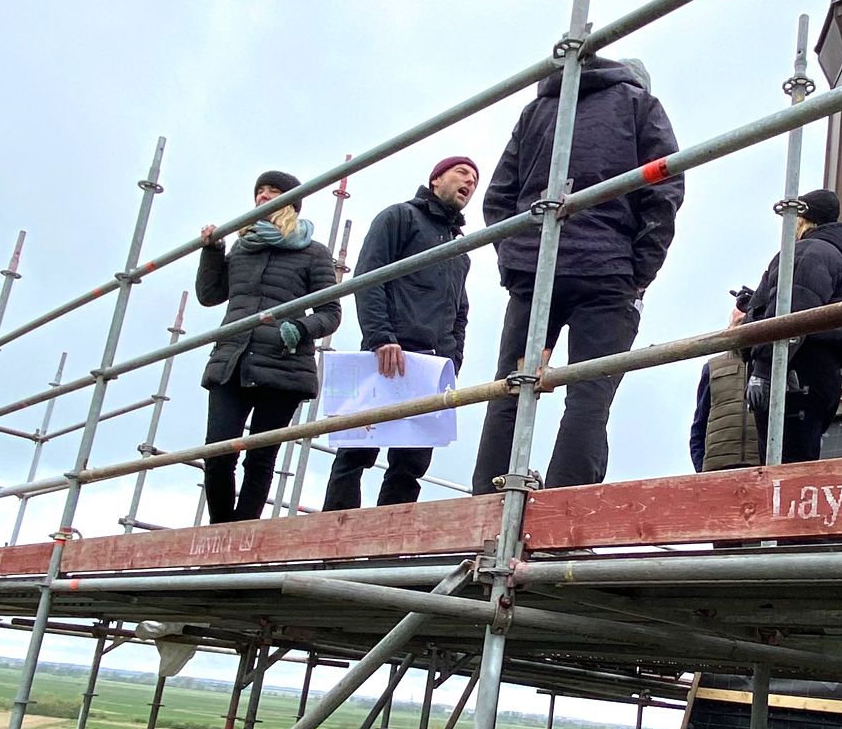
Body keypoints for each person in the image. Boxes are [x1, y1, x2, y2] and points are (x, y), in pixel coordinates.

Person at [471, 56, 686, 491]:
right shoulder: (640, 104)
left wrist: (515, 256)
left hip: (534, 269)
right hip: (606, 269)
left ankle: (486, 499)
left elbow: (498, 197)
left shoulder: (539, 108)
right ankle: (565, 504)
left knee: (513, 386)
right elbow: (664, 190)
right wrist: (639, 272)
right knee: (589, 393)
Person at [321, 156, 479, 510]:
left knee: (410, 465)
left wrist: (453, 360)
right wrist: (380, 336)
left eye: (474, 180)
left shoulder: (460, 251)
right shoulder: (399, 217)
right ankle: (334, 536)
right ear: (436, 179)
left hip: (432, 364)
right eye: (462, 173)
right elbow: (369, 277)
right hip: (389, 352)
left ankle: (389, 539)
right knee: (356, 451)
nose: (469, 182)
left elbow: (460, 311)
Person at [195, 171, 343, 523]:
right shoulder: (242, 247)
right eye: (259, 192)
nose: (262, 197)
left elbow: (330, 313)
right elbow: (210, 295)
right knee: (217, 453)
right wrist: (212, 251)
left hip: (283, 365)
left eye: (273, 192)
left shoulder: (314, 253)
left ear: (290, 203)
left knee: (260, 458)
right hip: (232, 360)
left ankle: (244, 533)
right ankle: (221, 531)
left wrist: (299, 328)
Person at [741, 189, 842, 464]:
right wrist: (755, 304)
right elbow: (802, 302)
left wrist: (763, 370)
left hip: (794, 374)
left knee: (782, 473)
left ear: (803, 218)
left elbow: (792, 313)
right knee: (796, 467)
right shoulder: (829, 254)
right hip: (810, 373)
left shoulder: (809, 251)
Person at [689, 287, 762, 473]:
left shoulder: (771, 362)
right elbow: (699, 425)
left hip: (763, 465)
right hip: (717, 469)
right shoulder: (712, 367)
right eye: (739, 322)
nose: (744, 326)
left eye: (749, 320)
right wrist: (702, 470)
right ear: (729, 328)